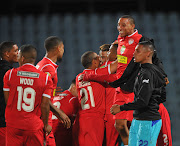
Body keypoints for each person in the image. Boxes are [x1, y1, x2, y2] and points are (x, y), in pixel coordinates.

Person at [111, 40, 166, 145]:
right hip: (139, 119)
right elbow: (162, 96)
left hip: (147, 120)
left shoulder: (147, 73)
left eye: (138, 51)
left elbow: (143, 102)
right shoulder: (144, 71)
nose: (134, 53)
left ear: (148, 54)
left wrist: (120, 108)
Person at [3, 44, 53, 146]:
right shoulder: (45, 78)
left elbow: (8, 101)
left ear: (22, 58)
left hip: (13, 124)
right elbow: (44, 105)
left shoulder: (10, 74)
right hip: (33, 126)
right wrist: (46, 124)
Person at [76, 51, 117, 146]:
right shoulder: (97, 73)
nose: (101, 61)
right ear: (94, 62)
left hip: (81, 118)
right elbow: (115, 66)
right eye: (99, 59)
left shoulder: (78, 77)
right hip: (94, 118)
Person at [113, 15, 142, 146]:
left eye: (123, 25)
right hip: (120, 88)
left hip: (132, 87)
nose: (120, 28)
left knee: (132, 124)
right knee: (119, 125)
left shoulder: (140, 40)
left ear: (132, 26)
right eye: (119, 25)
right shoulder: (120, 39)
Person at [36, 36, 70, 146]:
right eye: (63, 48)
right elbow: (42, 96)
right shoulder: (47, 68)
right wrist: (60, 113)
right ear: (58, 48)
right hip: (43, 116)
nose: (63, 52)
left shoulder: (43, 64)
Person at [0, 41, 19, 146]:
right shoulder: (10, 73)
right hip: (5, 123)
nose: (18, 53)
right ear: (7, 53)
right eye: (15, 51)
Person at [52, 78, 79, 146]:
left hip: (50, 134)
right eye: (80, 89)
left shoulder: (55, 96)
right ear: (73, 88)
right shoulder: (73, 100)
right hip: (62, 135)